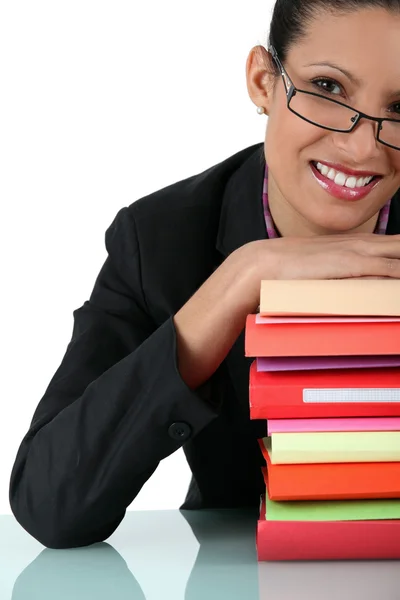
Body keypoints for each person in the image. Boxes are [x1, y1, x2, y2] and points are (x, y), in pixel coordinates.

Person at [9, 0, 400, 550]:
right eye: (329, 89)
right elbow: (50, 504)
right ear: (264, 82)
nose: (364, 147)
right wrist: (240, 278)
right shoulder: (160, 239)